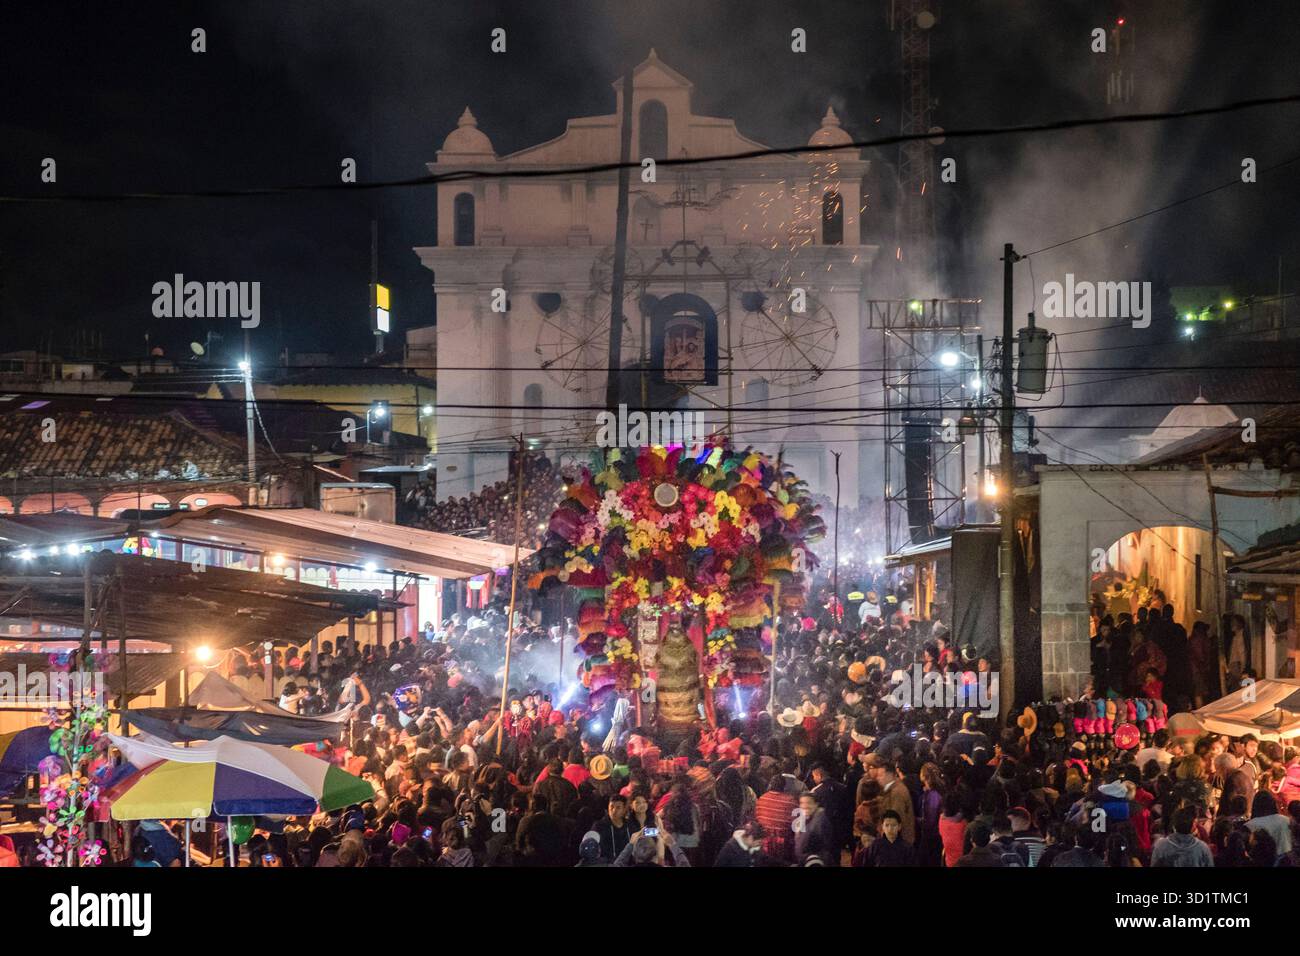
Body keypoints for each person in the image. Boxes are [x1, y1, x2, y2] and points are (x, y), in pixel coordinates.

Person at [864, 753, 915, 845]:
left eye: (881, 775)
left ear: (890, 775)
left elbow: (895, 819)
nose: (878, 778)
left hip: (898, 843)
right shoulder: (890, 789)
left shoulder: (897, 792)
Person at [592, 794, 635, 864]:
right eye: (611, 807)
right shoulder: (599, 826)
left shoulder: (630, 826)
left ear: (624, 810)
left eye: (618, 807)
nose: (614, 810)